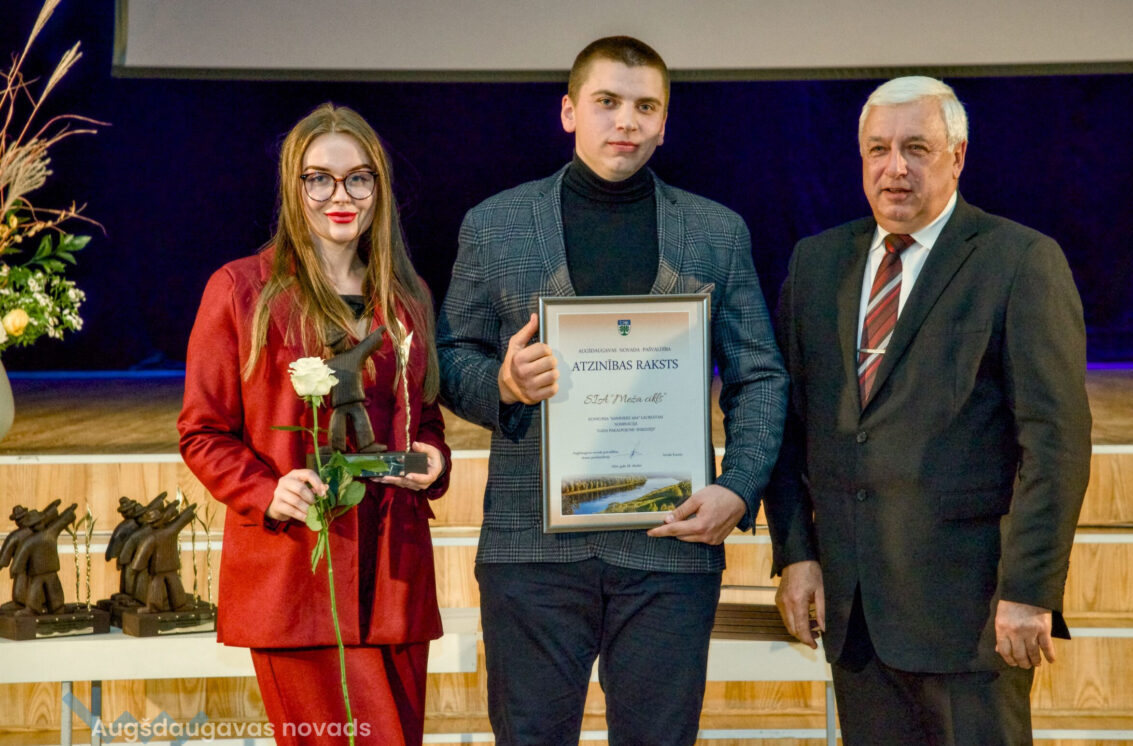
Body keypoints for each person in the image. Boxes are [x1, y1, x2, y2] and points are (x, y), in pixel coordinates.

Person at [436, 36, 788, 746]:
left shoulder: (715, 233)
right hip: (531, 550)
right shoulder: (495, 225)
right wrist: (502, 383)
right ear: (569, 111)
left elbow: (760, 376)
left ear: (665, 122)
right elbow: (450, 356)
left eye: (645, 106)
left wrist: (739, 486)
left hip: (669, 547)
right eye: (607, 102)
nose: (626, 120)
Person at [764, 76, 1092, 745]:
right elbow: (788, 427)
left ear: (957, 156)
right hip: (856, 616)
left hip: (971, 617)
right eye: (878, 149)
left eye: (916, 148)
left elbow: (1055, 442)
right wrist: (796, 553)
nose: (895, 168)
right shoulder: (818, 263)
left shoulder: (1020, 261)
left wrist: (1030, 589)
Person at [178, 103, 450, 745]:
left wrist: (433, 460)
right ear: (292, 187)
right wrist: (266, 491)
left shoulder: (407, 295)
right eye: (319, 179)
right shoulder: (241, 290)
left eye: (358, 178)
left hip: (394, 579)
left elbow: (425, 415)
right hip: (299, 579)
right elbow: (202, 432)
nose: (340, 196)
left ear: (379, 187)